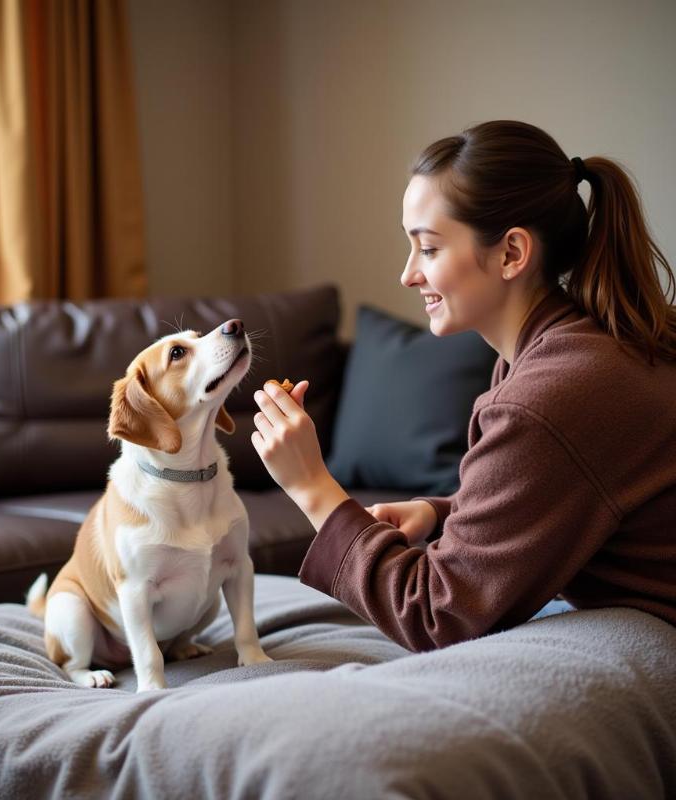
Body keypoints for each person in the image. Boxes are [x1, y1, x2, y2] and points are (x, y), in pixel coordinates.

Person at [250, 119, 676, 652]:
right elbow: (572, 494)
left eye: (428, 249)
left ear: (511, 253)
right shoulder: (573, 347)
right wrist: (439, 511)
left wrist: (311, 485)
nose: (408, 274)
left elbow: (436, 616)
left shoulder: (548, 396)